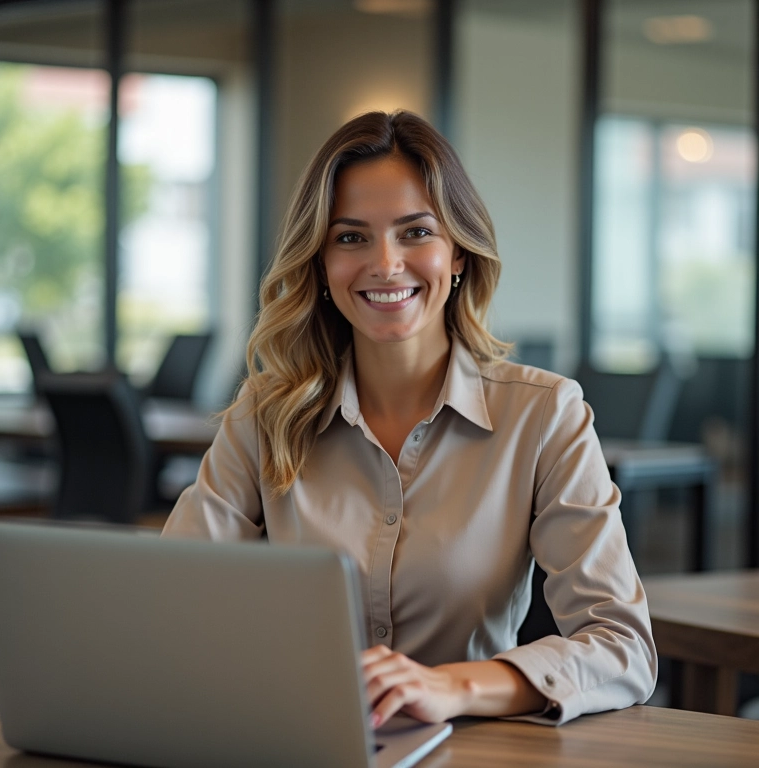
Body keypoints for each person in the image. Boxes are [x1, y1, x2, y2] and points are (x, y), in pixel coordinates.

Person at [162, 110, 657, 726]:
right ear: (319, 264)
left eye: (415, 232)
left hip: (472, 748)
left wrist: (453, 688)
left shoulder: (544, 415)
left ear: (457, 255)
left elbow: (622, 646)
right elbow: (172, 602)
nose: (386, 263)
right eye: (351, 237)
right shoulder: (265, 413)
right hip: (298, 739)